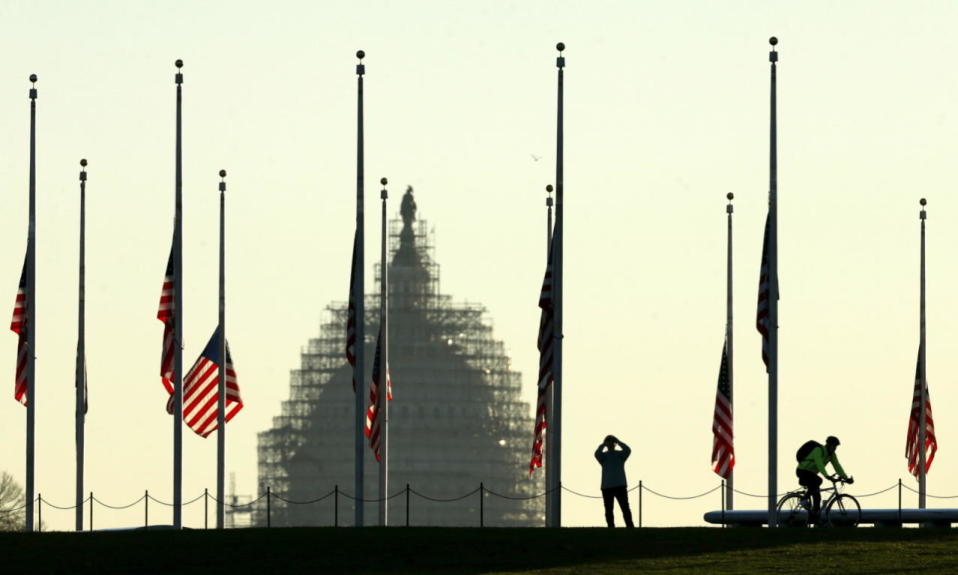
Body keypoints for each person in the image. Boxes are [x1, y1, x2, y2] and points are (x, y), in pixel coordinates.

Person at [796, 435, 853, 524]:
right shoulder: (819, 450)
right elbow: (819, 464)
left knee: (817, 495)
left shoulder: (832, 455)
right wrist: (827, 476)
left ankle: (814, 517)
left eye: (836, 447)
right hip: (802, 471)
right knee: (819, 481)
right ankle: (804, 499)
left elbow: (837, 466)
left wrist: (846, 478)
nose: (835, 448)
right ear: (828, 444)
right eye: (834, 446)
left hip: (811, 474)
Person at [594, 435, 634, 528]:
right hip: (608, 486)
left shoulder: (620, 455)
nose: (610, 444)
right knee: (609, 509)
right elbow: (597, 454)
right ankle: (611, 527)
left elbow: (628, 450)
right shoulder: (603, 456)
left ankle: (630, 526)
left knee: (625, 508)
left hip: (618, 485)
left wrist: (618, 441)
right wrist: (603, 445)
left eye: (612, 442)